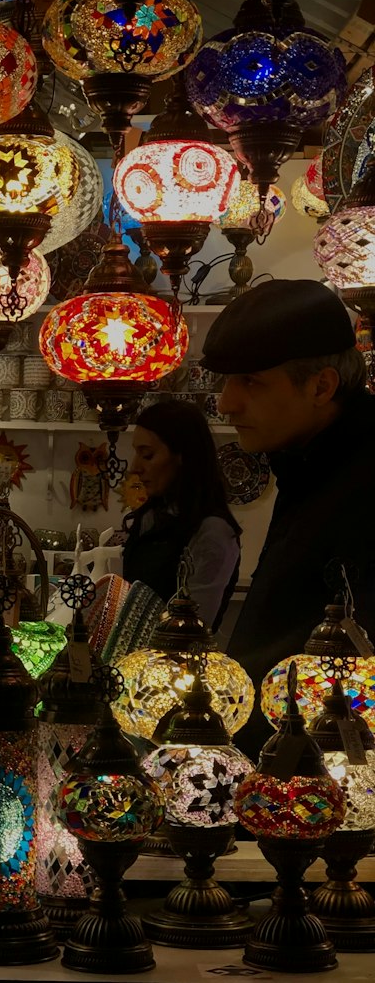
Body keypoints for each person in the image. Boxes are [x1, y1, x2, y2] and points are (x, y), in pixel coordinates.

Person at [200, 278, 375, 759]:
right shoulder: (307, 461)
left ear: (321, 386)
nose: (226, 403)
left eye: (251, 382)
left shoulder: (361, 477)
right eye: (226, 382)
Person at [122, 399, 241, 629]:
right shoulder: (150, 516)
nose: (135, 467)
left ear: (182, 457)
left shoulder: (212, 531)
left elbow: (192, 628)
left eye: (147, 455)